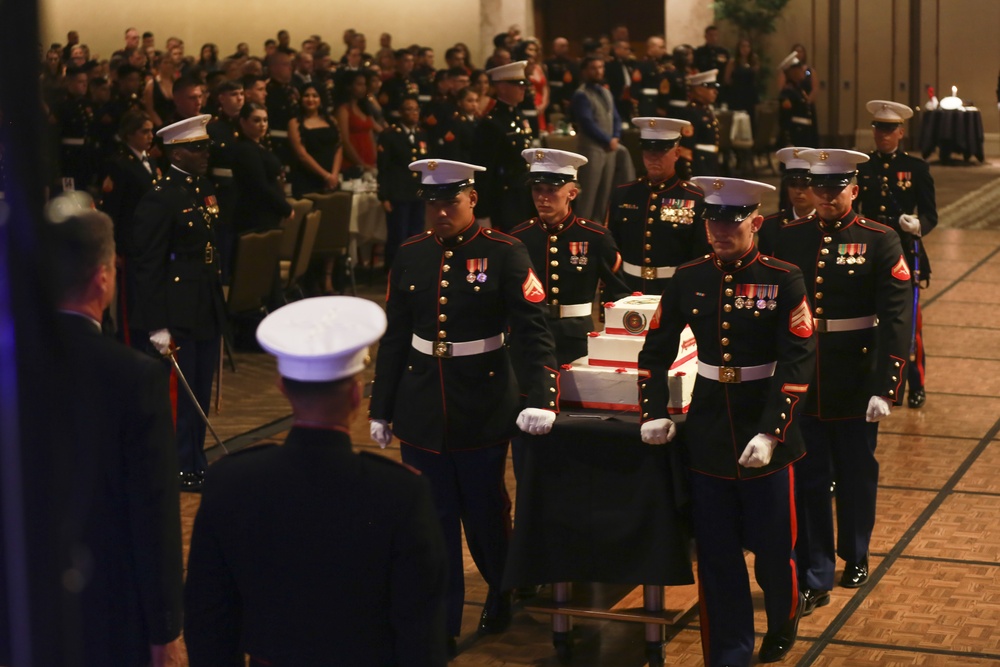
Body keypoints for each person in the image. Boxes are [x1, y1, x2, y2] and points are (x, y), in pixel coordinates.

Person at [185, 296, 448, 666]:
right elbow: (420, 632)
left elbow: (207, 618)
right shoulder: (400, 493)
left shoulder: (230, 482)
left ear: (283, 388)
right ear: (357, 395)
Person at [368, 159, 560, 654]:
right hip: (422, 403)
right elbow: (394, 338)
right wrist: (380, 407)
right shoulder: (411, 253)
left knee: (484, 509)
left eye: (450, 201)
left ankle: (500, 586)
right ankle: (444, 617)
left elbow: (534, 333)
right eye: (432, 202)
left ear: (472, 199)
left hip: (482, 397)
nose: (440, 211)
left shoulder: (504, 251)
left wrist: (540, 397)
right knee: (432, 519)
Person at [638, 177, 815, 666]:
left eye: (730, 222)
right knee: (717, 556)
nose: (719, 231)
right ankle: (729, 650)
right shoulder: (690, 276)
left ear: (755, 222)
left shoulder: (784, 277)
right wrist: (652, 410)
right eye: (712, 221)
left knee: (775, 549)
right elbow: (654, 351)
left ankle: (782, 618)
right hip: (710, 429)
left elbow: (799, 358)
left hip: (766, 427)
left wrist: (771, 430)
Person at [769, 149, 911, 617]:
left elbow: (895, 315)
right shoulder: (789, 238)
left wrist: (886, 385)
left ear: (854, 189)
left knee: (854, 472)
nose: (827, 197)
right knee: (809, 478)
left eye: (836, 189)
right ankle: (814, 569)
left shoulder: (880, 238)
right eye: (820, 188)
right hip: (803, 375)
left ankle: (856, 552)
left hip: (855, 373)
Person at [46, 201, 183, 667]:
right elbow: (154, 510)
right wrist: (165, 627)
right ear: (104, 278)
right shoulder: (134, 378)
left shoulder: (11, 367)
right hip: (108, 602)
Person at [131, 115, 226, 492]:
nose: (205, 153)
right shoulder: (160, 197)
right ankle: (178, 463)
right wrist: (156, 322)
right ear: (176, 152)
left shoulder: (198, 188)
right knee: (180, 396)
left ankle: (194, 460)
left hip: (203, 304)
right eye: (196, 148)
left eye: (205, 146)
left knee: (200, 390)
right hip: (176, 310)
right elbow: (148, 264)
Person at [510, 148, 630, 364]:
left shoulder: (595, 237)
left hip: (577, 337)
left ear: (572, 194)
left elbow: (619, 292)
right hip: (529, 335)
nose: (542, 198)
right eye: (537, 189)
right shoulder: (519, 237)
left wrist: (614, 338)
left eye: (551, 190)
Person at [855, 100, 936, 409]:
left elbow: (931, 214)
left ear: (900, 132)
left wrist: (919, 225)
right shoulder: (864, 168)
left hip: (904, 251)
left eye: (889, 129)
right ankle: (872, 380)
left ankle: (915, 383)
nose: (882, 135)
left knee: (908, 324)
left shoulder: (916, 168)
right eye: (878, 128)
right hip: (870, 250)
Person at [606, 117, 708, 295]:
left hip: (674, 290)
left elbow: (700, 254)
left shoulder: (695, 198)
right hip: (628, 288)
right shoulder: (623, 194)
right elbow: (611, 249)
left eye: (661, 151)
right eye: (648, 150)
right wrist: (612, 293)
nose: (653, 157)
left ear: (677, 153)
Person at [98, 109, 160, 341]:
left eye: (151, 131)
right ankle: (128, 341)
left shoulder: (150, 162)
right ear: (129, 135)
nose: (150, 136)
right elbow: (114, 211)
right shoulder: (120, 164)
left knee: (144, 297)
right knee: (129, 300)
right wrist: (115, 249)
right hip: (130, 242)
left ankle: (143, 339)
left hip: (148, 241)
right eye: (144, 131)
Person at [570, 55, 635, 222]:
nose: (598, 71)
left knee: (604, 193)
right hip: (592, 149)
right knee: (589, 194)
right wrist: (608, 140)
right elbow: (586, 122)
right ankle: (582, 227)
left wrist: (616, 136)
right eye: (594, 68)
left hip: (609, 149)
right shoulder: (581, 94)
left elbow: (616, 118)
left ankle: (598, 228)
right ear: (585, 71)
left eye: (601, 67)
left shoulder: (606, 91)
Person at [473, 60, 536, 231]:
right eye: (518, 84)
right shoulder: (492, 123)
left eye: (524, 84)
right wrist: (482, 212)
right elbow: (485, 171)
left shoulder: (518, 116)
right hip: (503, 198)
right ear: (501, 87)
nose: (523, 88)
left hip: (523, 193)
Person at [377, 96, 428, 268]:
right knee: (398, 236)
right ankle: (394, 272)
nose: (413, 113)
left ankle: (414, 270)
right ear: (400, 112)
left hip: (417, 193)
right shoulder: (390, 135)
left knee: (417, 234)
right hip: (398, 194)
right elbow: (384, 168)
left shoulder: (422, 134)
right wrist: (384, 196)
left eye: (416, 109)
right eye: (408, 109)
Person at [232, 103, 293, 234]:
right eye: (256, 120)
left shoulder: (259, 146)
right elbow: (260, 185)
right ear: (243, 122)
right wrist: (285, 208)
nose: (262, 124)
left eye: (265, 120)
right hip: (255, 214)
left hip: (266, 212)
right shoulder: (246, 149)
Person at [288, 81, 343, 197]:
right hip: (307, 179)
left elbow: (338, 147)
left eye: (315, 96)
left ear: (321, 99)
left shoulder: (331, 120)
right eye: (306, 95)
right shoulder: (294, 122)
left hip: (331, 179)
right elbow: (302, 155)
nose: (310, 99)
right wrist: (326, 176)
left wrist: (334, 175)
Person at [757, 147, 816, 255]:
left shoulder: (827, 224)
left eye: (805, 185)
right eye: (793, 185)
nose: (798, 191)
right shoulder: (770, 226)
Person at [335, 69, 379, 179]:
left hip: (369, 161)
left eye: (364, 84)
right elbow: (344, 140)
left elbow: (371, 136)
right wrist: (361, 163)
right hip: (352, 163)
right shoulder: (343, 110)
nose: (363, 88)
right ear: (349, 86)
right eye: (359, 84)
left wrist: (375, 159)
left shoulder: (364, 108)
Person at [678, 69, 721, 178]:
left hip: (709, 164)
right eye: (710, 88)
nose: (715, 91)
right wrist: (689, 175)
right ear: (699, 90)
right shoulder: (691, 112)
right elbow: (685, 149)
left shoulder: (705, 110)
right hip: (699, 166)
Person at [777, 52, 818, 148]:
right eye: (799, 69)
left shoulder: (799, 91)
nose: (803, 71)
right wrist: (788, 141)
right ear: (792, 72)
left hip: (804, 135)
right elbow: (785, 120)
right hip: (795, 136)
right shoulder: (787, 93)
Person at [723, 38, 760, 120]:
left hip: (749, 96)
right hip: (736, 95)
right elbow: (727, 79)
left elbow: (756, 78)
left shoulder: (754, 62)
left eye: (748, 46)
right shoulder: (733, 62)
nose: (745, 49)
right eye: (743, 46)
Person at [543, 37, 578, 117]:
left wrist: (570, 99)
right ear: (555, 47)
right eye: (562, 46)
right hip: (552, 99)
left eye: (566, 46)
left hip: (568, 100)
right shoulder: (548, 63)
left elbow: (575, 83)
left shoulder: (572, 64)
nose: (565, 49)